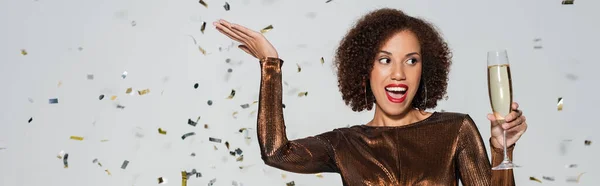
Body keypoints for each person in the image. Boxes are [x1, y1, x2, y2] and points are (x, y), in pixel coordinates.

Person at [213, 8, 527, 186]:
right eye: (385, 60)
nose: (399, 74)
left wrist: (502, 151)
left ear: (425, 68)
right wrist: (270, 65)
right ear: (365, 69)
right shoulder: (345, 144)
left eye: (411, 60)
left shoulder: (456, 130)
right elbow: (277, 152)